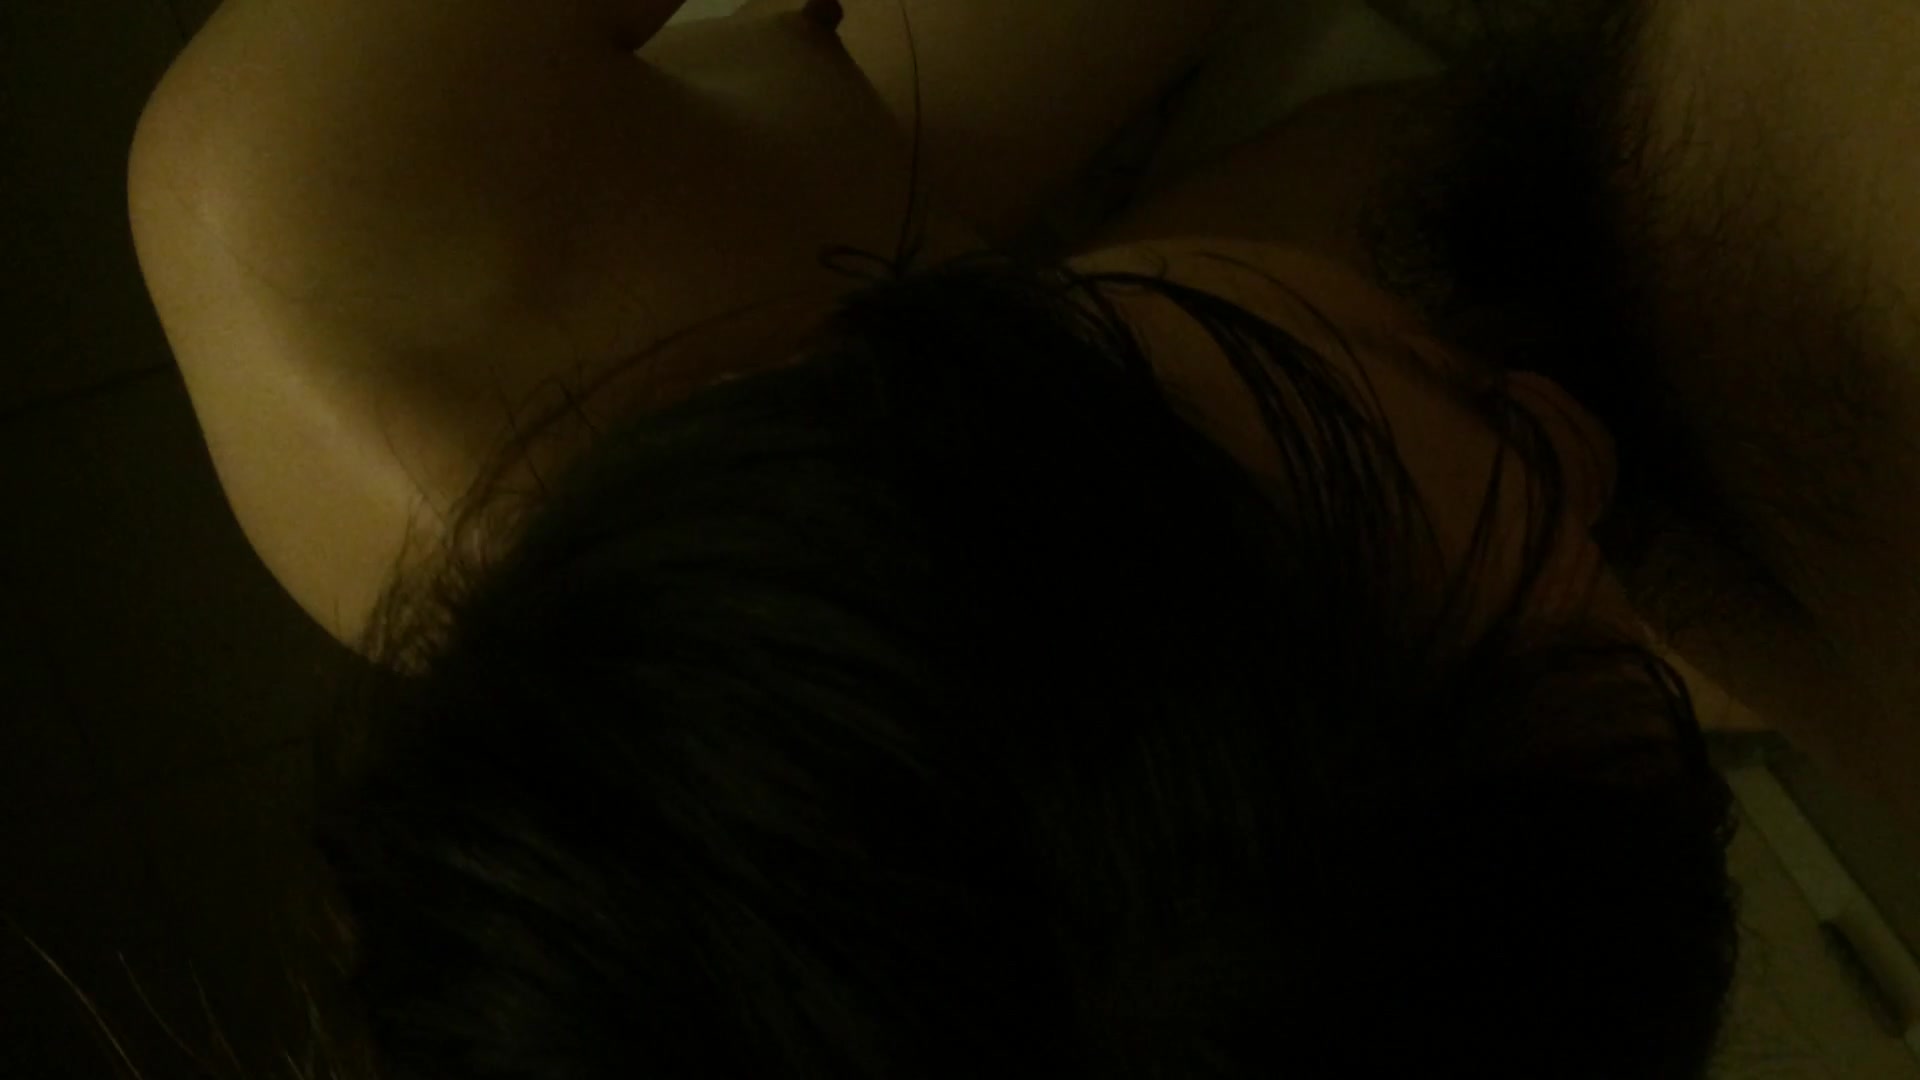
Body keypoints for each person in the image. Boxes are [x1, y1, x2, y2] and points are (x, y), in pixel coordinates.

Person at [121, 0, 1916, 1074]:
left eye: (1477, 424)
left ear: (857, 362)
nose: (1581, 449)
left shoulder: (352, 213)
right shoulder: (1323, 914)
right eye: (1604, 649)